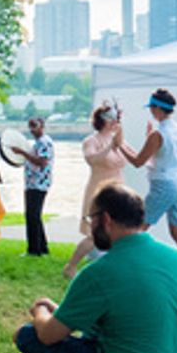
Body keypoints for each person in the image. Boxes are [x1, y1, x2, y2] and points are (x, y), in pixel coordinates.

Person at [10, 183, 177, 353]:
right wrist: (61, 310)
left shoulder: (100, 272)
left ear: (105, 219)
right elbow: (131, 315)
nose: (90, 226)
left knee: (26, 335)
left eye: (91, 218)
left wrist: (40, 311)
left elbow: (48, 335)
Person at [117, 88, 177, 268]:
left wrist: (119, 145)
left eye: (152, 108)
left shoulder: (157, 134)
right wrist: (145, 139)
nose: (151, 111)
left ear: (158, 108)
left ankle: (125, 266)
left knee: (136, 228)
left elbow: (138, 161)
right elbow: (163, 154)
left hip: (165, 185)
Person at [62, 104, 127, 279]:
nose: (115, 121)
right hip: (99, 190)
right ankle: (71, 266)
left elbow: (133, 157)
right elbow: (92, 160)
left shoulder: (118, 140)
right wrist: (109, 147)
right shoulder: (91, 140)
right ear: (104, 120)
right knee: (94, 235)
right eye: (112, 118)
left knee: (118, 231)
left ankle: (113, 269)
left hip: (118, 189)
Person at [8, 117, 54, 257]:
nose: (32, 130)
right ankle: (42, 247)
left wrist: (23, 153)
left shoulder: (44, 142)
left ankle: (34, 249)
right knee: (35, 216)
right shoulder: (39, 143)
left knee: (32, 215)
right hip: (33, 182)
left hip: (38, 183)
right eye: (30, 127)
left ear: (42, 126)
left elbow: (42, 161)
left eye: (34, 126)